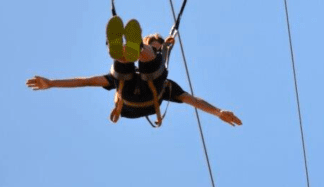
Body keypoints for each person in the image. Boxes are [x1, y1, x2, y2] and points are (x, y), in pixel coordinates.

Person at [26, 16, 242, 127]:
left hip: (146, 95)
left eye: (158, 45)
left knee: (150, 67)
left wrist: (218, 112)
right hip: (132, 95)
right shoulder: (163, 83)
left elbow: (191, 99)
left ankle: (133, 48)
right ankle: (123, 50)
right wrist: (52, 83)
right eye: (154, 44)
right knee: (125, 70)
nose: (158, 46)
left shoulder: (166, 84)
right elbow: (86, 81)